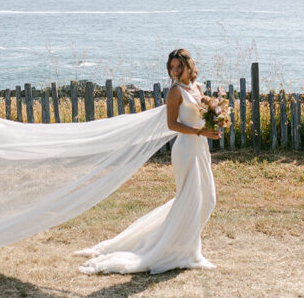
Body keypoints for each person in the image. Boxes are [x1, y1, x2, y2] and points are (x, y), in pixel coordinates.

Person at [76, 48, 220, 274]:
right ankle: (189, 252)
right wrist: (200, 132)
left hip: (200, 149)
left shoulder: (198, 88)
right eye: (171, 67)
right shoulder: (175, 92)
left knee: (208, 198)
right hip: (185, 149)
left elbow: (202, 116)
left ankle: (177, 241)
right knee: (190, 199)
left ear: (188, 66)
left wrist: (214, 123)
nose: (174, 71)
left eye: (178, 67)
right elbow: (172, 124)